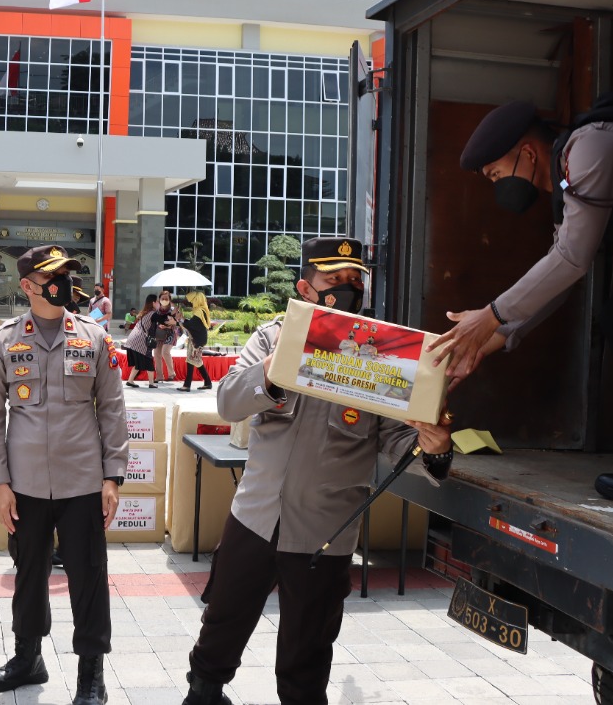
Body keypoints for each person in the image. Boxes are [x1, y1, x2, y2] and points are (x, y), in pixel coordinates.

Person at [180, 237, 455, 705]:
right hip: (257, 516)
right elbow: (228, 402)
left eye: (354, 280)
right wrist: (277, 362)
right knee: (223, 622)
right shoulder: (271, 337)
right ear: (307, 288)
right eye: (335, 280)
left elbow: (397, 439)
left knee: (307, 652)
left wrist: (436, 446)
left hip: (327, 531)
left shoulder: (382, 357)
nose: (347, 288)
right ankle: (204, 694)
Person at [425, 101, 613, 508]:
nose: (496, 186)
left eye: (495, 174)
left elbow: (573, 259)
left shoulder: (591, 147)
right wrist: (493, 337)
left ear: (527, 153)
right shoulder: (567, 179)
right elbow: (561, 274)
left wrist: (489, 317)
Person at [0, 245, 129, 705]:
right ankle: (27, 659)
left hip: (83, 481)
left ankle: (91, 674)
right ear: (27, 286)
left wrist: (113, 477)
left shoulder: (93, 338)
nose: (63, 283)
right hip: (24, 485)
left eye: (67, 274)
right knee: (28, 573)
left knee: (88, 577)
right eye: (53, 276)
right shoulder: (2, 341)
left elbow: (113, 409)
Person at [177, 290, 213, 393]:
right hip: (198, 338)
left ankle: (187, 385)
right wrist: (182, 319)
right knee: (196, 361)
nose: (191, 303)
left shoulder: (199, 312)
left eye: (193, 300)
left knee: (191, 360)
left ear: (197, 300)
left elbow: (192, 325)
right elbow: (193, 324)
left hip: (196, 339)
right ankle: (208, 382)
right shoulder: (201, 310)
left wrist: (182, 320)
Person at [124, 294, 159, 388]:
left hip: (133, 339)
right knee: (148, 360)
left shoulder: (145, 312)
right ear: (153, 303)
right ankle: (151, 383)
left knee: (138, 362)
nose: (159, 303)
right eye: (158, 301)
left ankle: (130, 381)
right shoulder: (153, 313)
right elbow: (162, 320)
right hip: (141, 340)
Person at [150, 290, 180, 383]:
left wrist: (167, 325)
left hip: (170, 334)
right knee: (156, 354)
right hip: (159, 335)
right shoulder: (157, 311)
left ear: (169, 300)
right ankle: (159, 376)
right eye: (162, 298)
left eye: (166, 299)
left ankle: (172, 373)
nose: (164, 300)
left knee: (165, 352)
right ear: (159, 300)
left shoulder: (173, 310)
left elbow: (177, 323)